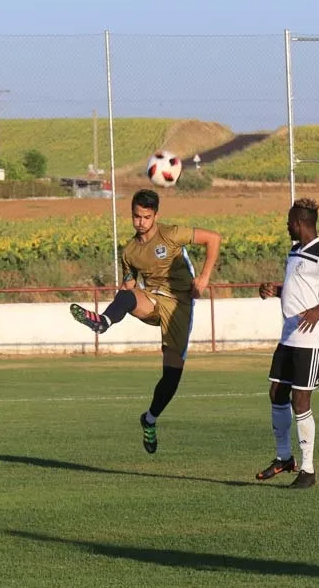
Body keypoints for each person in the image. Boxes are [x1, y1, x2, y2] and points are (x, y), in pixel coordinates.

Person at [70, 188, 221, 454]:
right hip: (151, 299)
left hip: (179, 305)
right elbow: (128, 285)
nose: (140, 222)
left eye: (146, 217)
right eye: (136, 216)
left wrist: (204, 277)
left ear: (156, 216)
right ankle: (103, 321)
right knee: (128, 295)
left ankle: (149, 419)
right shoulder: (129, 251)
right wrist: (122, 299)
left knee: (171, 377)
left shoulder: (171, 234)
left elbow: (214, 238)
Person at [256, 198, 319, 489]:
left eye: (289, 222)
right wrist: (276, 290)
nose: (286, 226)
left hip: (312, 340)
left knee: (300, 400)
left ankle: (308, 470)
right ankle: (284, 458)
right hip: (289, 336)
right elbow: (299, 289)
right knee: (277, 393)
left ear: (299, 223)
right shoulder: (296, 251)